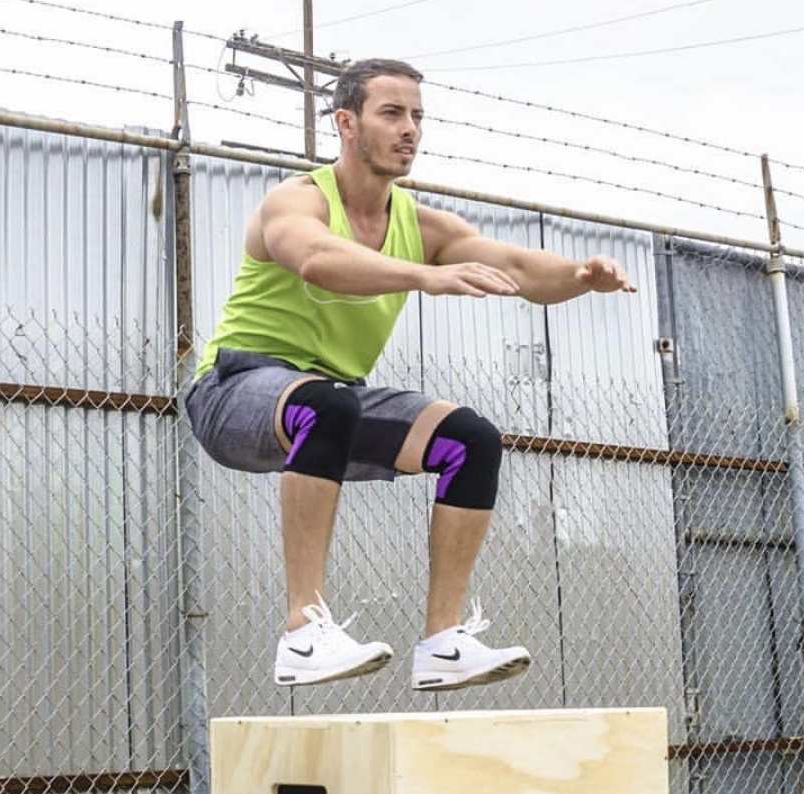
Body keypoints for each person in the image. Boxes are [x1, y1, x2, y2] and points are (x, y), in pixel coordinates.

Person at [185, 57, 636, 691]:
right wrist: (425, 275)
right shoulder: (296, 200)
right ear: (347, 122)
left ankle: (443, 644)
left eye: (418, 117)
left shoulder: (419, 224)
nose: (410, 130)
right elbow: (315, 258)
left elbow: (515, 266)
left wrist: (579, 277)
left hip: (332, 400)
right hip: (234, 391)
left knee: (470, 438)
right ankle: (303, 633)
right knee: (329, 404)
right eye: (392, 113)